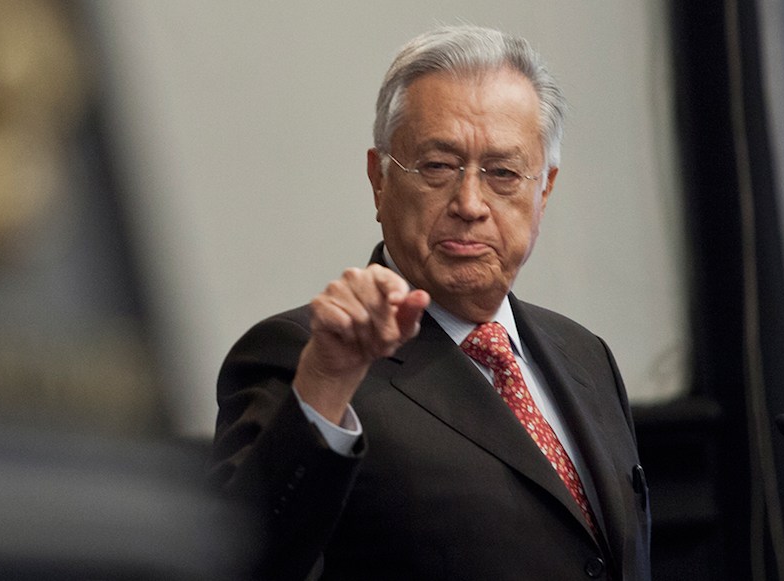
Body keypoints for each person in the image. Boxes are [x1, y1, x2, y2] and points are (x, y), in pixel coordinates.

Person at [210, 24, 651, 580]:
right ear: (379, 179)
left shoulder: (586, 356)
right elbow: (240, 562)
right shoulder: (304, 356)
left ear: (545, 189)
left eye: (503, 173)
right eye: (438, 167)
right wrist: (325, 383)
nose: (470, 203)